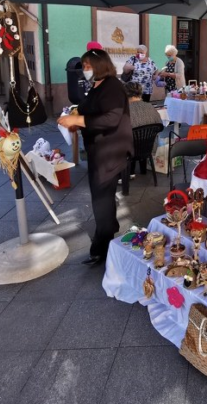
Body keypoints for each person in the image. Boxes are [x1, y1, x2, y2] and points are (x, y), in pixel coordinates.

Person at [57, 49, 133, 266]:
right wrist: (74, 116)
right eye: (84, 65)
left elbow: (111, 118)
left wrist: (79, 121)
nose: (85, 69)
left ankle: (102, 247)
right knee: (102, 196)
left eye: (88, 65)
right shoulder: (97, 85)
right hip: (99, 150)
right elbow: (88, 109)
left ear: (100, 65)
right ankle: (108, 232)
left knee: (101, 199)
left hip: (110, 151)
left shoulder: (113, 86)